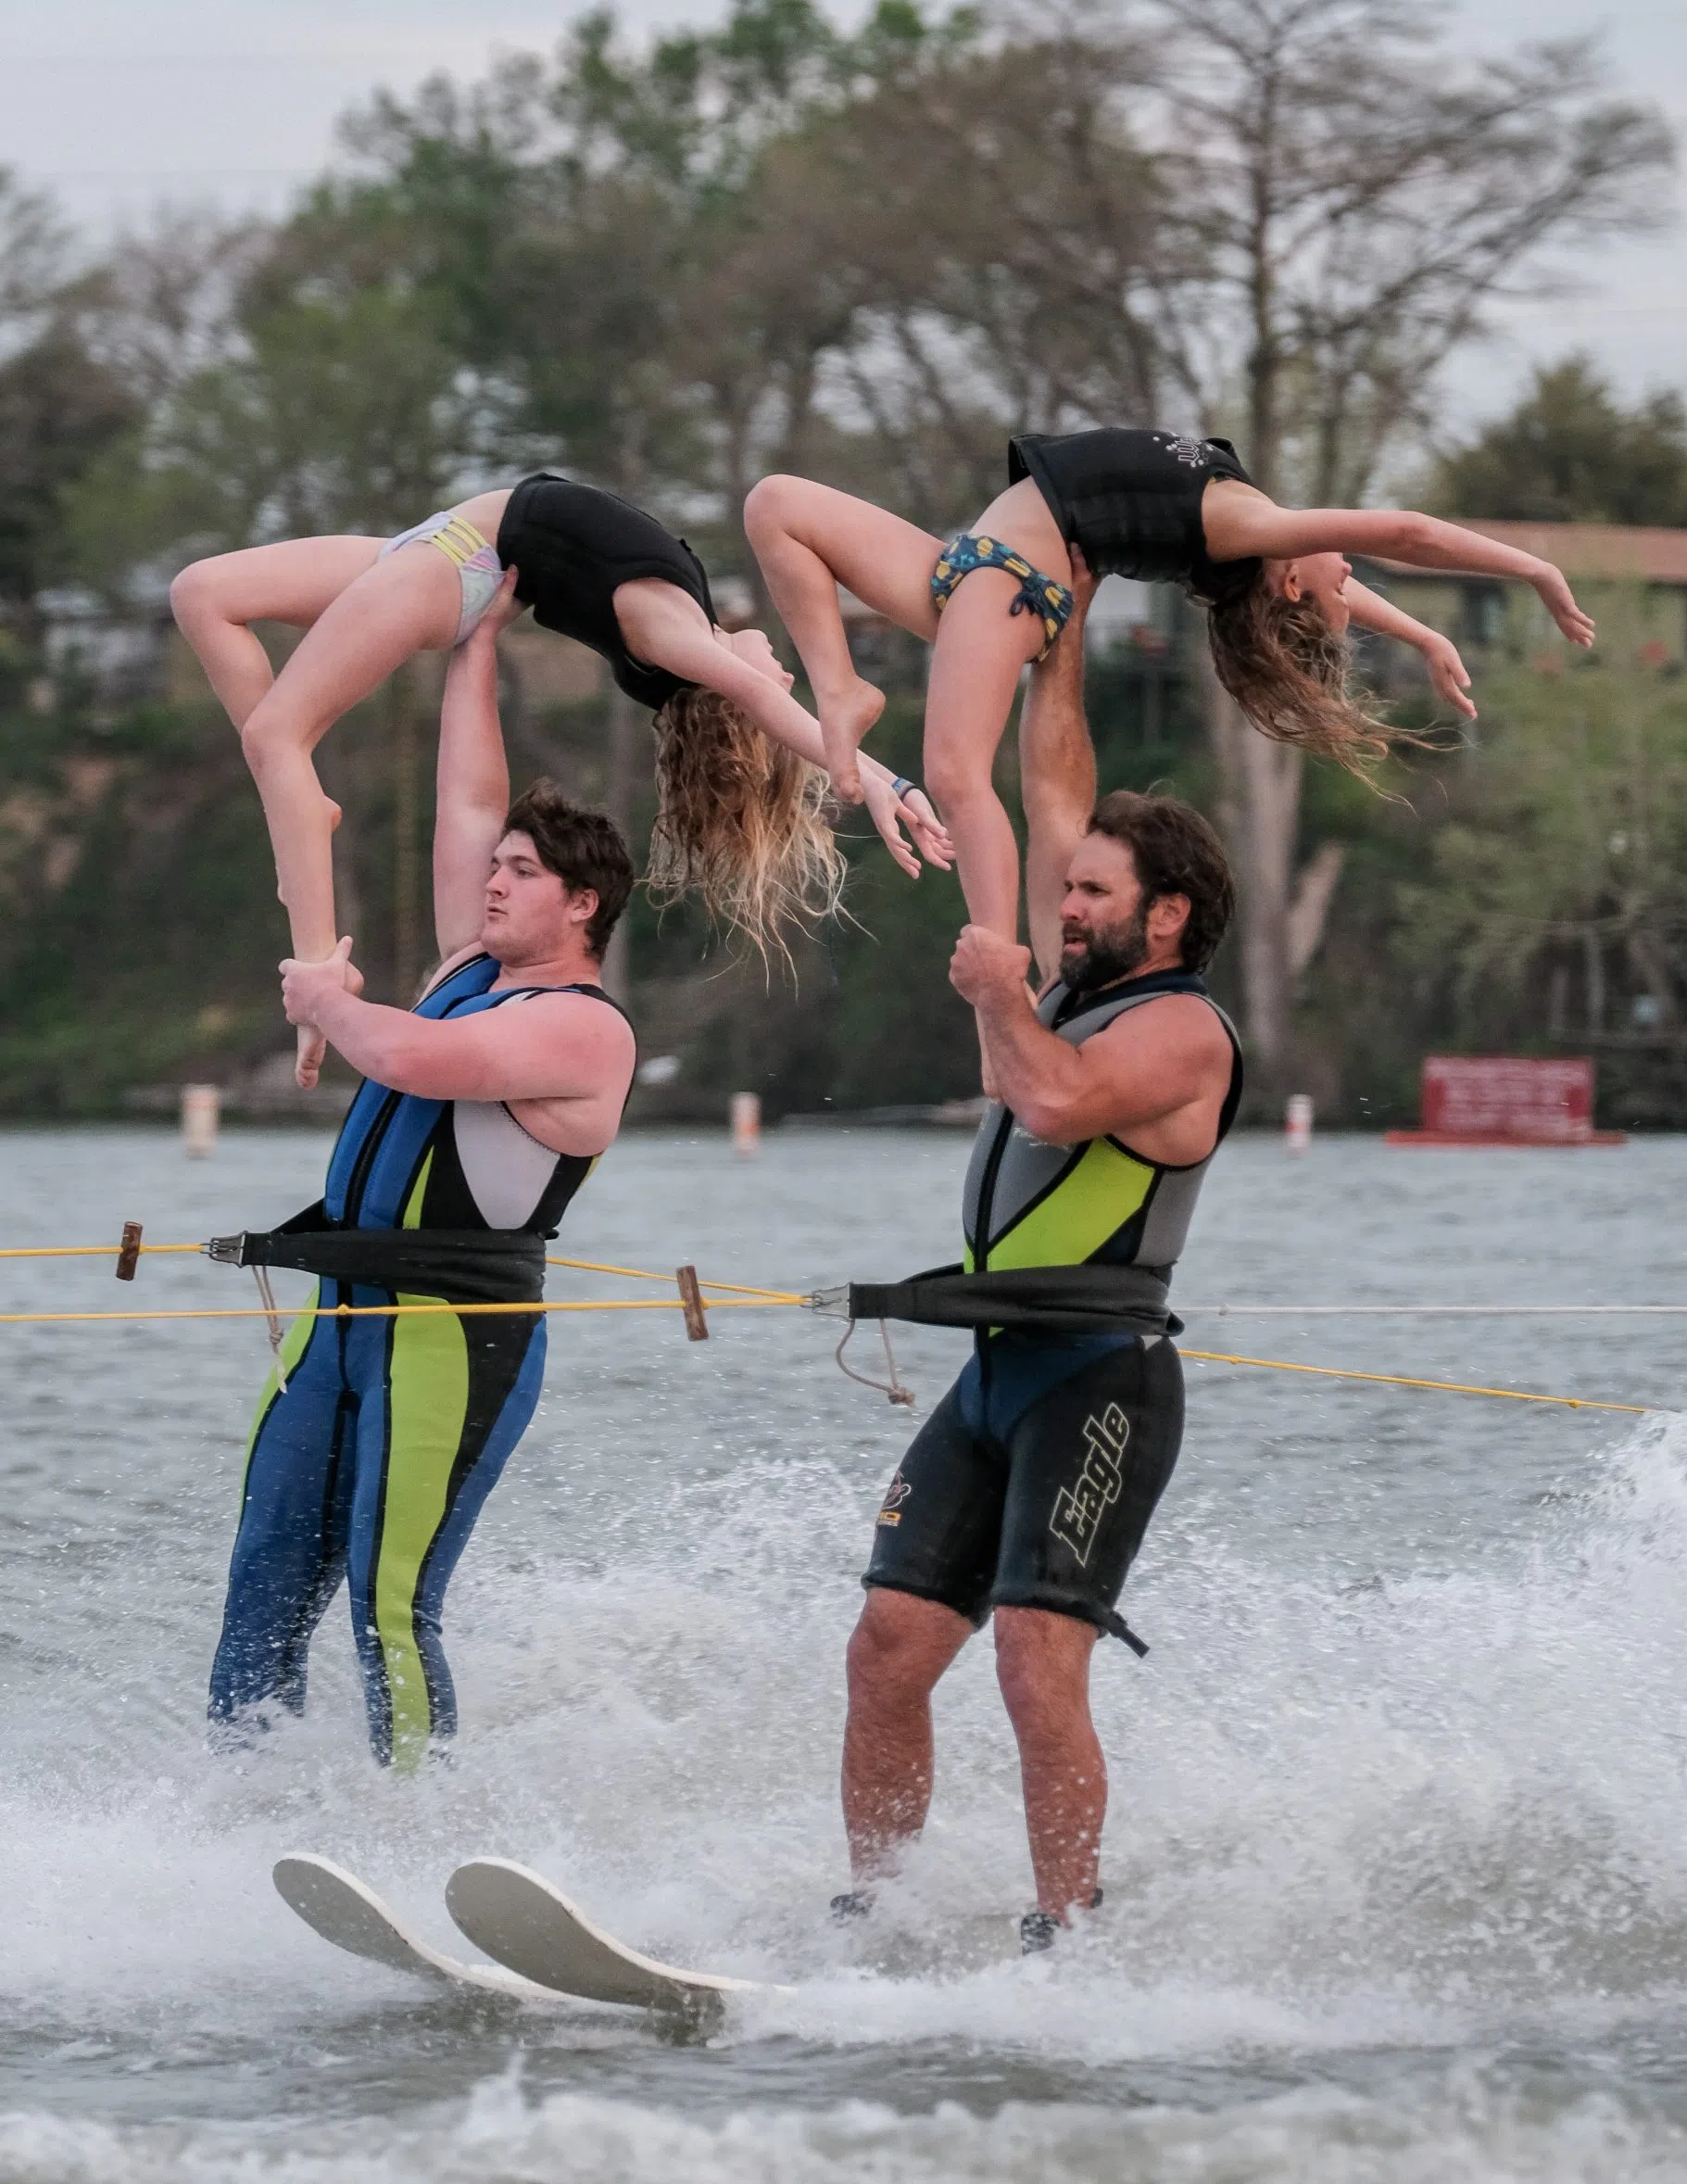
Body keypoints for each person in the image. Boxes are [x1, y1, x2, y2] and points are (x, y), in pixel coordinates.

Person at [836, 565, 1243, 1946]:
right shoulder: (1075, 981)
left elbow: (1057, 1104)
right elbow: (1053, 779)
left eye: (1090, 890)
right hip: (998, 1375)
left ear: (1165, 912)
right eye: (1065, 887)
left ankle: (1066, 1932)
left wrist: (997, 994)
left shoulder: (1180, 1030)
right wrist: (1054, 634)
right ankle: (875, 1914)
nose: (1063, 902)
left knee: (1030, 1659)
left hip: (1099, 1383)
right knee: (888, 1647)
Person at [208, 579, 637, 1768]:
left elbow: (410, 1057)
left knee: (389, 1606)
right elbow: (467, 798)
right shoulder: (468, 964)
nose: (493, 879)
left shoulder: (583, 1028)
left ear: (582, 904)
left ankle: (418, 1821)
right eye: (496, 867)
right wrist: (476, 640)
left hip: (455, 1337)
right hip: (338, 1324)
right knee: (261, 1590)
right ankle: (236, 1814)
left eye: (522, 872)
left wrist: (325, 997)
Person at [171, 471, 949, 1085]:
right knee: (202, 595)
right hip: (437, 542)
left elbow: (761, 699)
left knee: (277, 736)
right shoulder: (693, 612)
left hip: (458, 568)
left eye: (780, 686)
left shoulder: (673, 638)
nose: (782, 670)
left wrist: (880, 779)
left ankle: (318, 958)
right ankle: (291, 795)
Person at [745, 428, 1595, 943]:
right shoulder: (1250, 538)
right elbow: (1337, 586)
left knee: (958, 777)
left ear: (1289, 580)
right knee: (776, 505)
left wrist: (1533, 570)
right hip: (971, 566)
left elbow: (1404, 533)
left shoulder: (1253, 525)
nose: (1349, 570)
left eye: (1339, 582)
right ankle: (840, 688)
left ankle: (997, 975)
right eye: (1347, 580)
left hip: (1012, 580)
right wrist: (1426, 634)